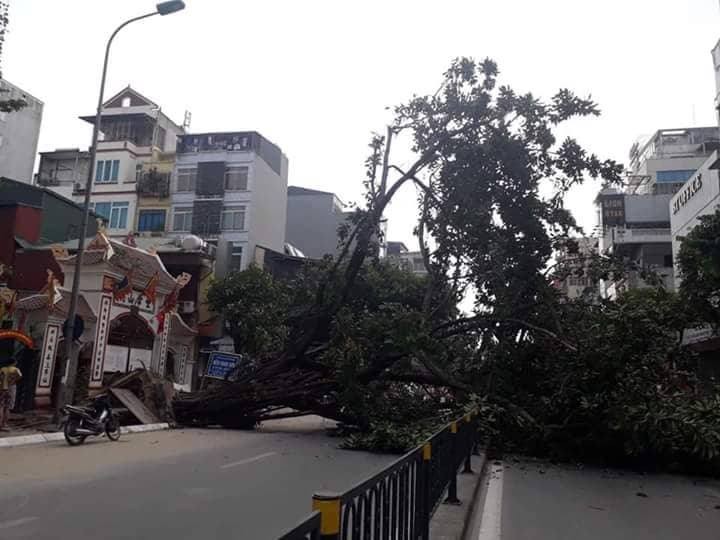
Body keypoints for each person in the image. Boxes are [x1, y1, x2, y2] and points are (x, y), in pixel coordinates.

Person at [0, 360, 22, 431]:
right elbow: (20, 376)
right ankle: (4, 424)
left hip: (2, 388)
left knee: (1, 406)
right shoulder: (15, 369)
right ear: (14, 363)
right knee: (8, 407)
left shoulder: (2, 369)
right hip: (11, 389)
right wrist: (13, 381)